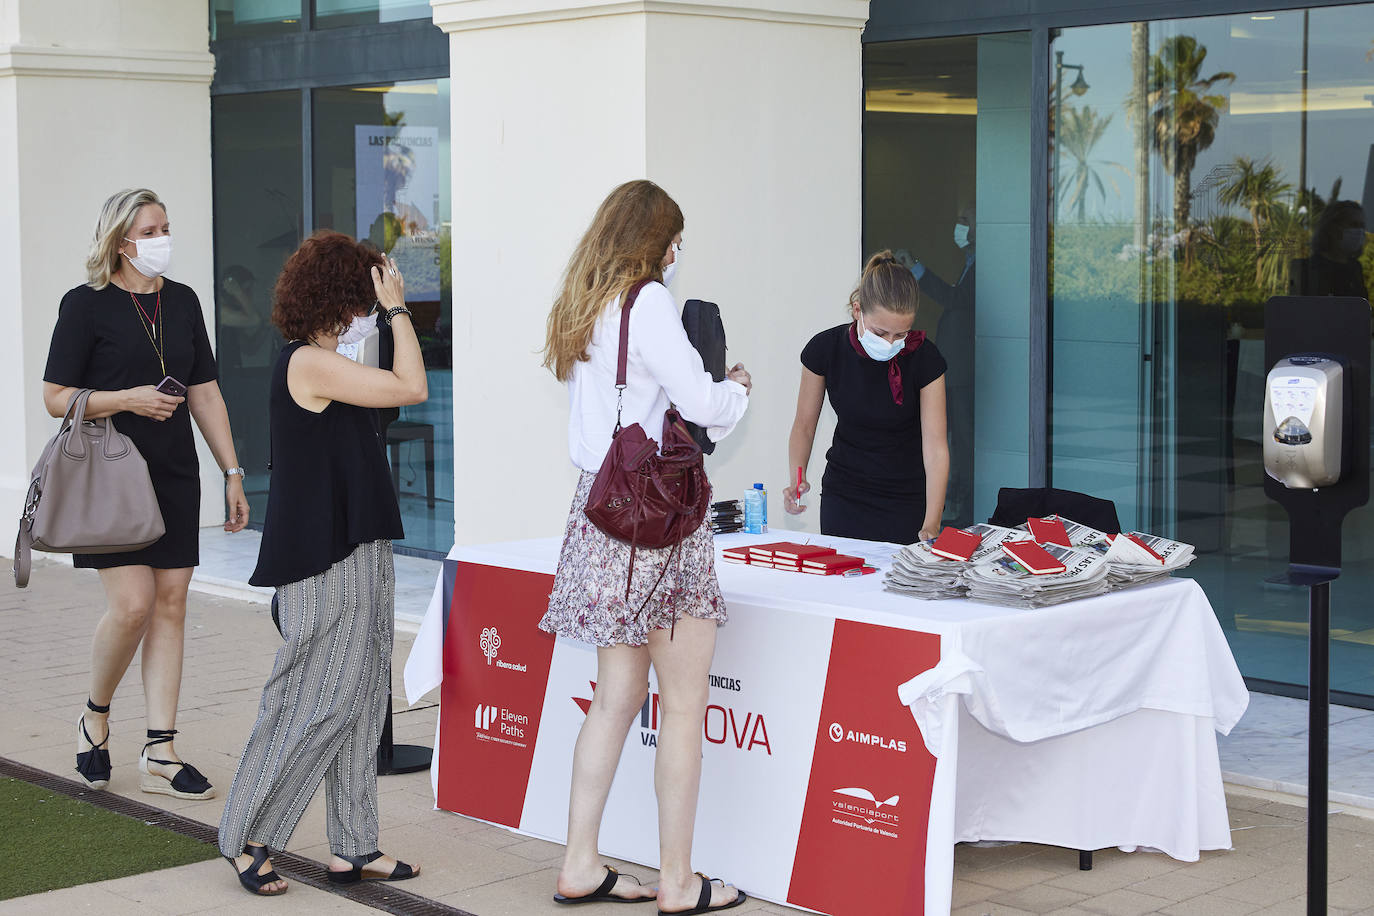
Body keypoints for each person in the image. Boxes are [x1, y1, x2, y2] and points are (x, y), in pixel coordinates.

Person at [538, 179, 751, 914]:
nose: (677, 253)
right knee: (684, 705)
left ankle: (578, 864)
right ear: (656, 242)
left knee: (614, 698)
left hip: (601, 514)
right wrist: (738, 392)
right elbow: (698, 401)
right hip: (657, 525)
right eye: (674, 241)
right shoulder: (647, 301)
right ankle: (680, 883)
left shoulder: (584, 301)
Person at [217, 233, 425, 896]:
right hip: (322, 555)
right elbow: (412, 387)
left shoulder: (328, 360)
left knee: (364, 698)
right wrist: (397, 310)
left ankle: (355, 845)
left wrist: (384, 315)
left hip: (359, 542)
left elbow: (389, 395)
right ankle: (248, 834)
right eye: (362, 300)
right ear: (343, 302)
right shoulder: (307, 363)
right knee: (316, 699)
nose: (369, 311)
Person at [43, 188, 249, 801]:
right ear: (121, 241)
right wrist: (127, 398)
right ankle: (94, 714)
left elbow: (205, 391)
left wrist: (232, 472)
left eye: (166, 226)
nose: (163, 238)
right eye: (151, 229)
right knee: (132, 604)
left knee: (171, 604)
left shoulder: (182, 302)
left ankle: (161, 750)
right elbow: (56, 396)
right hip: (110, 475)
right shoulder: (85, 306)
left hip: (173, 471)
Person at [784, 250, 949, 545]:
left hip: (907, 499)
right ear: (857, 310)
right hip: (845, 495)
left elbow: (936, 448)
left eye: (901, 335)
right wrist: (798, 478)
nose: (890, 344)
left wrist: (932, 521)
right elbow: (804, 426)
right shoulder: (825, 349)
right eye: (880, 332)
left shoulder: (926, 358)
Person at [897, 204, 975, 526]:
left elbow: (958, 300)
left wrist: (916, 269)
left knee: (963, 440)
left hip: (963, 369)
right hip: (957, 367)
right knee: (955, 438)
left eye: (965, 220)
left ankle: (965, 507)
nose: (958, 226)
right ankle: (957, 502)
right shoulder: (969, 262)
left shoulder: (984, 264)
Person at [1290, 200, 1368, 300]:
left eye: (1362, 226)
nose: (1360, 231)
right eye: (1354, 225)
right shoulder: (1308, 268)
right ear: (1332, 228)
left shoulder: (1355, 268)